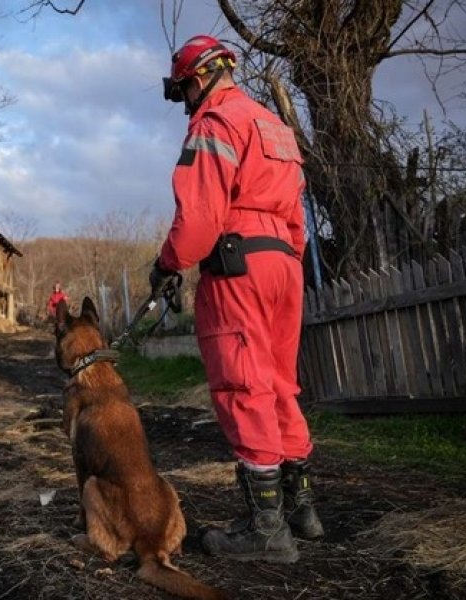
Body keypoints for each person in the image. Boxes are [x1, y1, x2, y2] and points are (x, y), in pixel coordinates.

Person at [150, 35, 323, 564]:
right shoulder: (275, 125)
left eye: (183, 92)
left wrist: (166, 264)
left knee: (242, 383)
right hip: (285, 266)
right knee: (278, 384)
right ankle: (301, 509)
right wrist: (287, 261)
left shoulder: (214, 123)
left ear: (197, 79)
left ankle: (265, 530)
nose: (185, 103)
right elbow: (297, 219)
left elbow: (199, 220)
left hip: (237, 266)